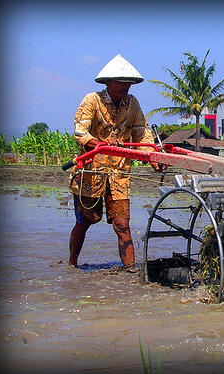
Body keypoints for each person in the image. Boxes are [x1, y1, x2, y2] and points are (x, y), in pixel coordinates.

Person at [68, 54, 159, 272]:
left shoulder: (133, 104)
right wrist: (99, 144)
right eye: (120, 82)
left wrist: (152, 155)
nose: (125, 87)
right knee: (85, 221)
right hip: (91, 172)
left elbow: (142, 134)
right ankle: (72, 264)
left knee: (122, 224)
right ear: (108, 82)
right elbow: (80, 132)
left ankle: (130, 270)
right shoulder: (92, 101)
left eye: (128, 83)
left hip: (119, 173)